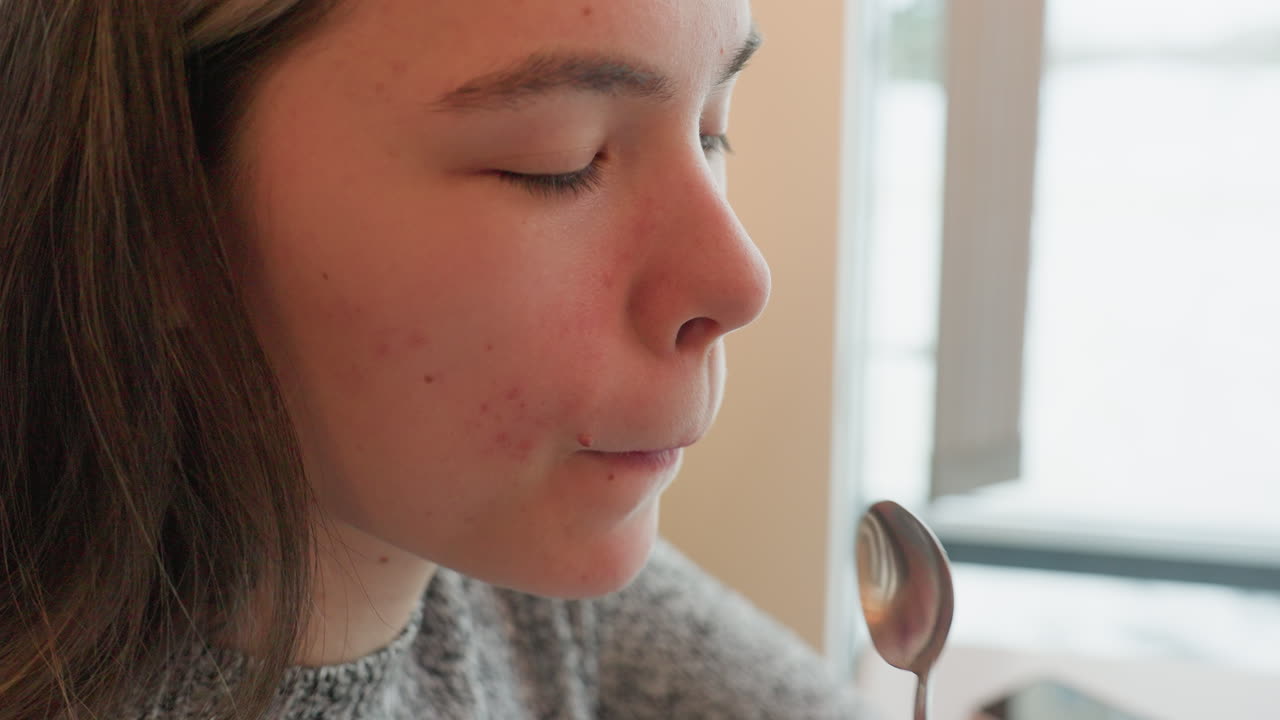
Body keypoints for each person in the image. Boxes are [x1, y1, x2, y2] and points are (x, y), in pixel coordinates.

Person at [0, 0, 865, 717]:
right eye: (557, 165)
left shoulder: (511, 597)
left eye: (712, 130)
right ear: (153, 225)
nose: (742, 283)